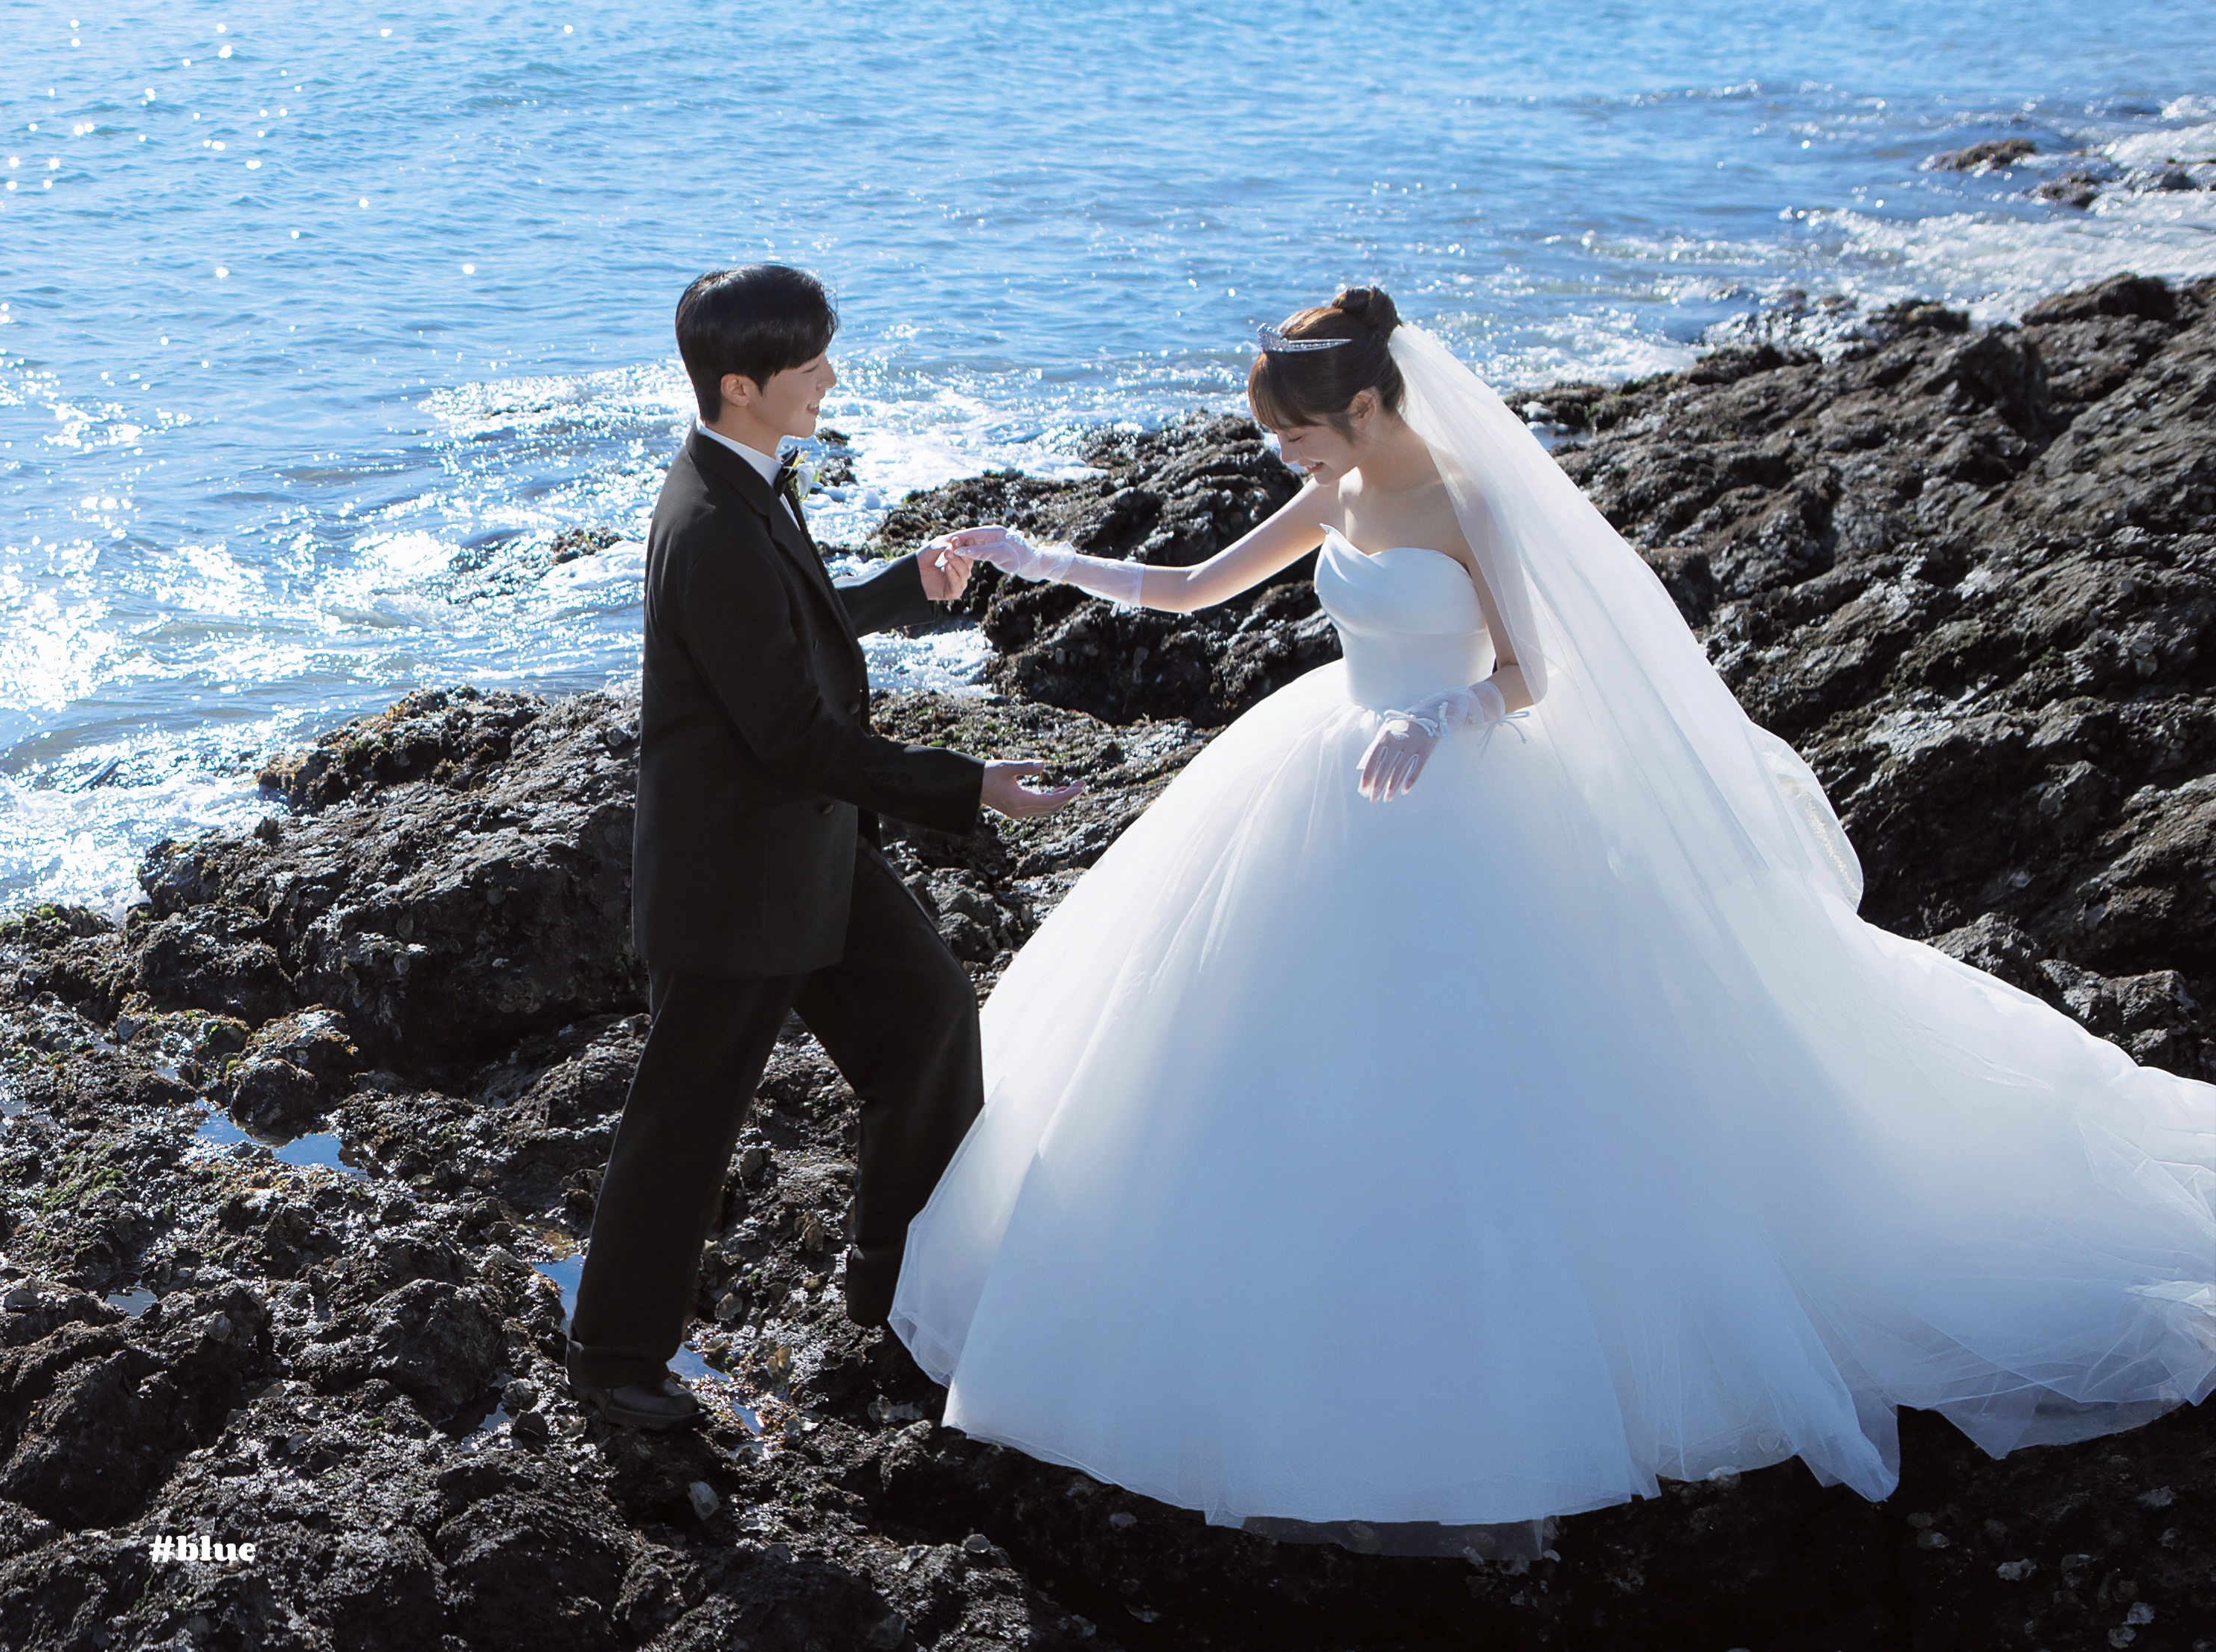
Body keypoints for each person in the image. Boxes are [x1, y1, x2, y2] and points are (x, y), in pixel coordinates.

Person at [897, 284, 2216, 1531]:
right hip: (1318, 771)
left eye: (1297, 434)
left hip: (1453, 785)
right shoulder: (1340, 486)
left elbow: (1537, 667)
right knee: (1267, 1060)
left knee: (1502, 1075)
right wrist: (1033, 554)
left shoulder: (1467, 499)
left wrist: (1447, 715)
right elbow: (1187, 589)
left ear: (1365, 406)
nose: (1289, 459)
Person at [566, 265, 1075, 1433]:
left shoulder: (744, 480)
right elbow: (794, 734)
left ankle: (895, 1282)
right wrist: (970, 786)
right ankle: (614, 1362)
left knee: (930, 1018)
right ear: (740, 384)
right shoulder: (710, 524)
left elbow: (789, 635)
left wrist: (905, 588)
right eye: (810, 368)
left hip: (810, 856)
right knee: (686, 1122)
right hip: (739, 881)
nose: (831, 381)